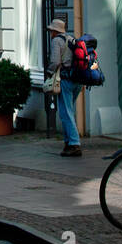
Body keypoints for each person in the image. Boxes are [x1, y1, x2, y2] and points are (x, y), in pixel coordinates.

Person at [45, 17, 81, 156]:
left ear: (54, 31)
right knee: (69, 111)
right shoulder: (72, 39)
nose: (50, 33)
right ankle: (68, 142)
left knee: (66, 113)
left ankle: (74, 143)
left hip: (65, 79)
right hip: (77, 80)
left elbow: (55, 61)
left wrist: (49, 73)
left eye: (51, 31)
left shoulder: (56, 41)